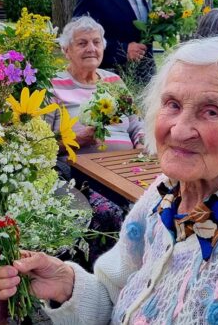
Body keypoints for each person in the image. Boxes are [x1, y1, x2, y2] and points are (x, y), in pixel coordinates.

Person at [0, 37, 218, 324]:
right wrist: (66, 283)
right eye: (172, 104)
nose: (179, 130)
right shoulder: (166, 192)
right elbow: (115, 296)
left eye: (211, 111)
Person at [46, 16, 145, 262]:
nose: (91, 48)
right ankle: (104, 276)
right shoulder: (53, 85)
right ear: (66, 50)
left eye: (96, 42)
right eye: (82, 43)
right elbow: (42, 145)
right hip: (82, 175)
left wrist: (142, 142)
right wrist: (75, 140)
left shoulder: (114, 81)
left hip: (129, 169)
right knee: (108, 213)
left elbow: (136, 124)